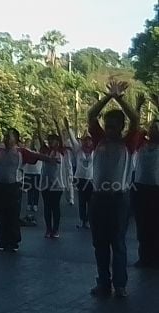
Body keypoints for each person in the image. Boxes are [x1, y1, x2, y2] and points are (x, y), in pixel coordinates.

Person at [87, 80, 141, 298]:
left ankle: (120, 285)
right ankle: (103, 283)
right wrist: (107, 98)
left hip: (119, 198)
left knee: (117, 242)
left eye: (113, 126)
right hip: (98, 197)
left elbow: (135, 120)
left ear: (121, 127)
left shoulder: (128, 143)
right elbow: (92, 115)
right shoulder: (99, 139)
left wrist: (119, 98)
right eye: (106, 126)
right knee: (99, 242)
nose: (108, 130)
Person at [0, 129, 56, 252]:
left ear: (16, 140)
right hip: (0, 186)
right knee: (1, 215)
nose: (6, 139)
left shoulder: (21, 152)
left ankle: (13, 242)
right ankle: (2, 241)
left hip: (14, 187)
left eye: (9, 137)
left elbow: (36, 155)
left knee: (13, 215)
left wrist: (49, 159)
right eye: (5, 136)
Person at [133, 94, 159, 269]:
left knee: (156, 225)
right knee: (142, 224)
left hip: (157, 189)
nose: (153, 129)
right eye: (152, 126)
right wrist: (138, 107)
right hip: (141, 188)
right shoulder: (140, 143)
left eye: (157, 127)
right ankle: (144, 257)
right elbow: (134, 128)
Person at [37, 121, 71, 239]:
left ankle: (55, 229)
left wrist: (57, 124)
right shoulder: (45, 151)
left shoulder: (61, 151)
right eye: (49, 140)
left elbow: (61, 139)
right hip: (45, 184)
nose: (51, 142)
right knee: (47, 207)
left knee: (55, 207)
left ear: (57, 142)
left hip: (57, 184)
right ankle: (48, 229)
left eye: (53, 140)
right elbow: (41, 140)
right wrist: (38, 126)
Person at [62, 117, 94, 229]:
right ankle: (82, 220)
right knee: (82, 201)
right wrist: (68, 127)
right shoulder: (78, 149)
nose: (87, 142)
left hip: (91, 179)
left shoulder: (96, 151)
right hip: (80, 178)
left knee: (91, 202)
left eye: (89, 140)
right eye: (85, 140)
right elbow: (72, 138)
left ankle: (89, 221)